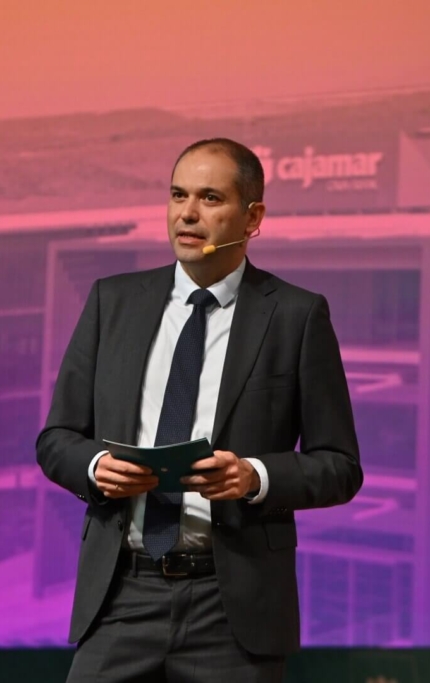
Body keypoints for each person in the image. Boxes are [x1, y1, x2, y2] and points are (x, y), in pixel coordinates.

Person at [37, 138, 362, 682]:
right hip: (122, 595)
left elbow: (339, 466)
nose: (187, 213)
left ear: (252, 216)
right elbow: (57, 438)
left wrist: (252, 476)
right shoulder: (110, 303)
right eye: (177, 195)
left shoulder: (296, 316)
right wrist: (96, 467)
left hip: (231, 607)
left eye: (210, 197)